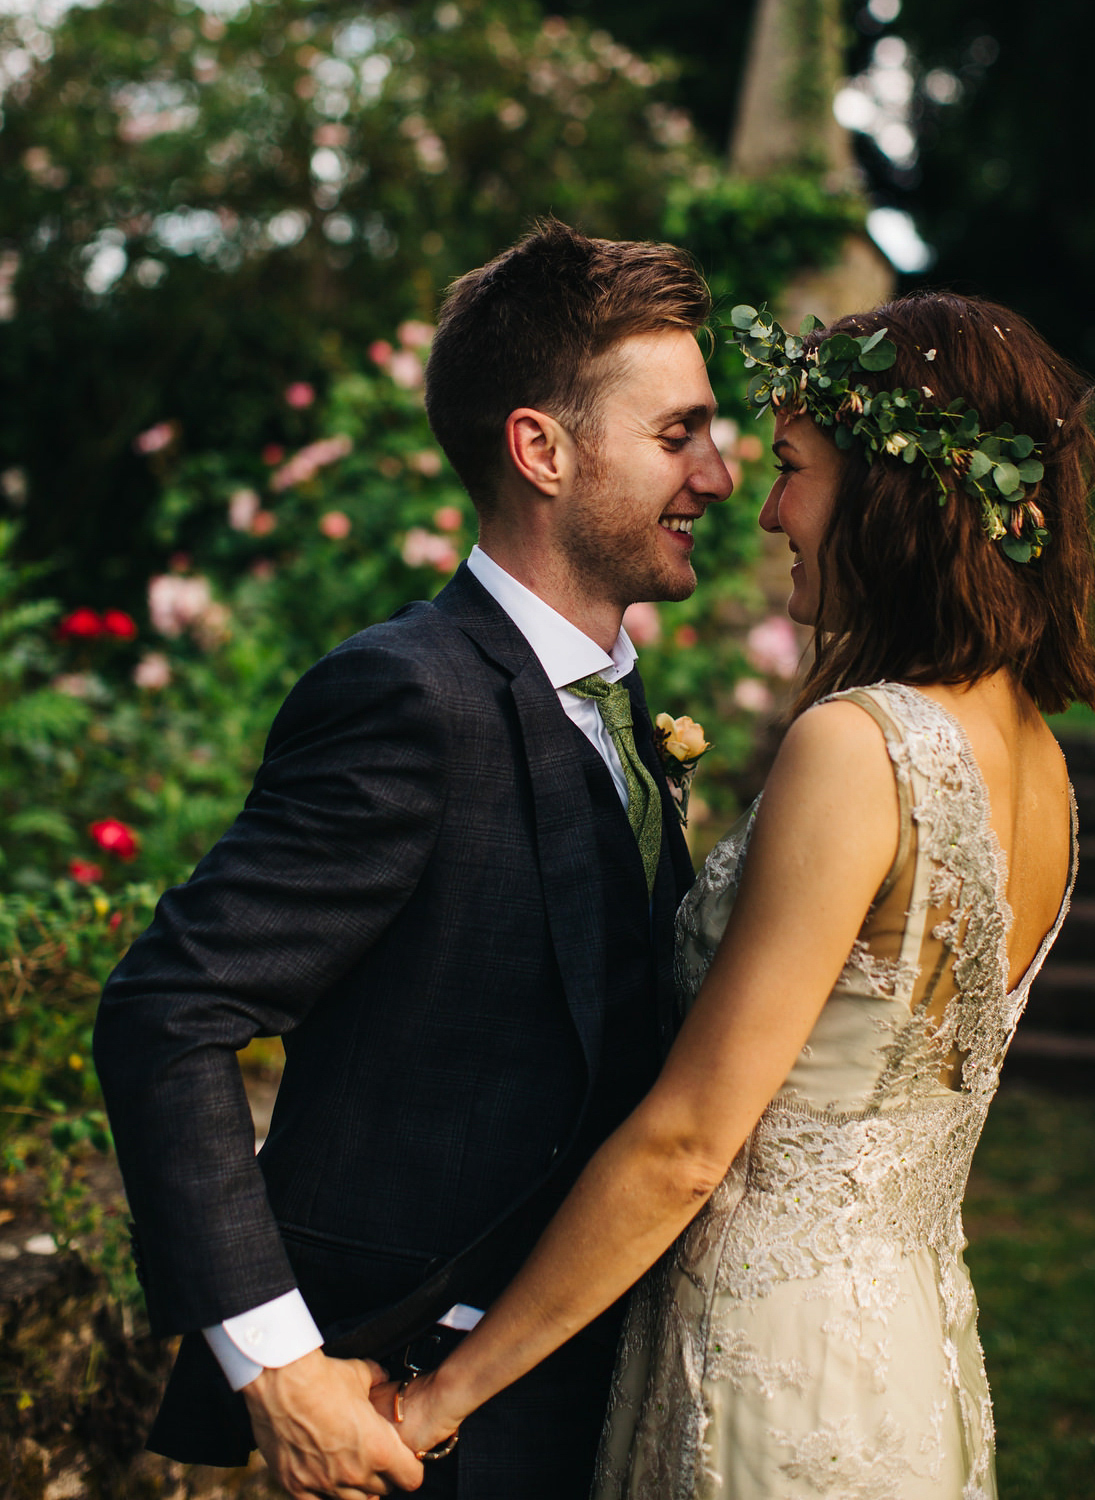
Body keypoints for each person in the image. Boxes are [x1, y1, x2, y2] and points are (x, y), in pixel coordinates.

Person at [381, 291, 1095, 1499]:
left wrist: (440, 1401)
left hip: (767, 1357)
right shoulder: (1038, 760)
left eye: (793, 469)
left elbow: (686, 1144)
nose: (768, 507)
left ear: (897, 496)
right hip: (905, 1350)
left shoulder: (861, 746)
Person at [92, 218, 735, 1499]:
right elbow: (169, 1008)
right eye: (679, 434)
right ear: (541, 449)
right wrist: (280, 1368)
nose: (719, 474)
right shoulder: (409, 696)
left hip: (592, 1391)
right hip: (417, 1421)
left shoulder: (620, 705)